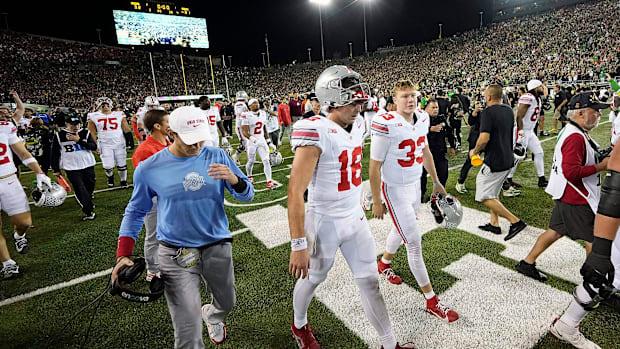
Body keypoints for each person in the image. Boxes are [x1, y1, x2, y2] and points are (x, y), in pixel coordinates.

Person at [113, 106, 254, 347]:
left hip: (216, 244)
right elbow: (136, 211)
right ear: (172, 133)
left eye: (201, 139)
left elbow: (247, 195)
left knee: (227, 300)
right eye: (190, 141)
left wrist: (234, 179)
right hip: (174, 251)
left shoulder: (216, 155)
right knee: (187, 327)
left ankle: (213, 314)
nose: (197, 146)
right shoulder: (150, 168)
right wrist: (123, 254)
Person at [288, 66, 409, 349]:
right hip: (324, 221)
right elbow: (295, 191)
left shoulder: (361, 125)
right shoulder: (315, 130)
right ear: (331, 99)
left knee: (369, 281)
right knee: (314, 277)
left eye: (359, 101)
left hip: (354, 217)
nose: (357, 107)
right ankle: (299, 323)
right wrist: (297, 243)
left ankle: (389, 344)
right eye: (351, 101)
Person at [369, 80, 459, 323]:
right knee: (414, 241)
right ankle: (431, 300)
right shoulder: (386, 124)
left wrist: (436, 180)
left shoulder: (422, 118)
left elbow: (425, 151)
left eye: (413, 96)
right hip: (394, 190)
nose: (410, 100)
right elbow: (374, 166)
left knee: (402, 230)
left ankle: (384, 263)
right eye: (405, 96)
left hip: (412, 187)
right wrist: (377, 199)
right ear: (394, 101)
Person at [515, 92, 610, 284]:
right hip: (577, 196)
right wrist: (602, 166)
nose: (599, 114)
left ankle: (527, 262)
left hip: (567, 192)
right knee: (595, 238)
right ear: (581, 113)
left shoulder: (574, 131)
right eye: (595, 110)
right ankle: (594, 282)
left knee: (555, 230)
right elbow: (571, 172)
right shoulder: (575, 136)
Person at [470, 84, 527, 241]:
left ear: (488, 97)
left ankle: (515, 222)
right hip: (507, 158)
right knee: (493, 192)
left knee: (483, 195)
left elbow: (484, 139)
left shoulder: (488, 112)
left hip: (494, 160)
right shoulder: (508, 110)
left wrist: (474, 152)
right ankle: (494, 224)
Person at [0, 115, 52, 279]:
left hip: (8, 179)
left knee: (24, 223)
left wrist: (39, 172)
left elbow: (22, 152)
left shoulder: (5, 126)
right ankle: (7, 263)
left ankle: (19, 236)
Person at [131, 109, 171, 281]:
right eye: (168, 122)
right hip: (154, 199)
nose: (171, 126)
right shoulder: (144, 150)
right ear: (157, 126)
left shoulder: (168, 144)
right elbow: (145, 182)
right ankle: (153, 270)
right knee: (154, 235)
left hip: (171, 197)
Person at [51, 111, 98, 221]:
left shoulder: (85, 133)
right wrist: (56, 169)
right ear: (67, 124)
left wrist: (79, 141)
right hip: (71, 167)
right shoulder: (59, 136)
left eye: (77, 124)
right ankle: (88, 210)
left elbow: (93, 146)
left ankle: (88, 201)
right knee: (80, 188)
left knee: (90, 186)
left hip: (87, 164)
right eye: (72, 125)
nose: (75, 127)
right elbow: (54, 153)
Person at [505, 79, 548, 193]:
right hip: (522, 130)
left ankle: (541, 179)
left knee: (538, 152)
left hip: (529, 131)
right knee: (517, 156)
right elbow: (519, 116)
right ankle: (507, 179)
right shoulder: (528, 96)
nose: (542, 88)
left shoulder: (536, 97)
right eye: (540, 86)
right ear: (535, 88)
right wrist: (520, 131)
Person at [87, 97, 132, 188]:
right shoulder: (94, 116)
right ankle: (110, 177)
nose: (105, 107)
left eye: (107, 105)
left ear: (111, 106)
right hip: (104, 143)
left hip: (119, 142)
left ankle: (123, 180)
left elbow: (126, 128)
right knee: (108, 165)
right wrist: (94, 145)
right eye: (103, 105)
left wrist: (129, 139)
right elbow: (92, 132)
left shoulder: (119, 114)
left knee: (122, 163)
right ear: (99, 106)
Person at [420, 98, 456, 200]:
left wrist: (452, 146)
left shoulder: (441, 118)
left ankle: (439, 194)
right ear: (426, 108)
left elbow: (449, 133)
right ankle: (420, 195)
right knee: (421, 176)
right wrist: (430, 129)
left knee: (443, 173)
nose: (435, 110)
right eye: (433, 107)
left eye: (437, 107)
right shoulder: (421, 119)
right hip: (425, 153)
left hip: (439, 152)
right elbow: (413, 131)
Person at [241, 99, 276, 189]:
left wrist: (268, 141)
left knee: (266, 160)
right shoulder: (246, 115)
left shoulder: (263, 113)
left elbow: (264, 129)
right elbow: (244, 132)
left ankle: (269, 181)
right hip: (251, 141)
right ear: (250, 106)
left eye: (257, 102)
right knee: (251, 161)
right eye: (254, 103)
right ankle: (249, 175)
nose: (256, 104)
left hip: (261, 140)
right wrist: (253, 140)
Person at [455, 97, 483, 194]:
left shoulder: (490, 109)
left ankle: (505, 185)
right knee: (470, 161)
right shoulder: (477, 111)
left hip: (488, 138)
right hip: (476, 139)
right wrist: (475, 110)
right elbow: (471, 121)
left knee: (494, 159)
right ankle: (460, 182)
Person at [231, 91, 249, 165]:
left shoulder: (240, 104)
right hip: (241, 126)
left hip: (243, 125)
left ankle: (250, 159)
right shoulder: (240, 104)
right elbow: (242, 115)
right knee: (245, 144)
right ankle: (236, 155)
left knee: (248, 143)